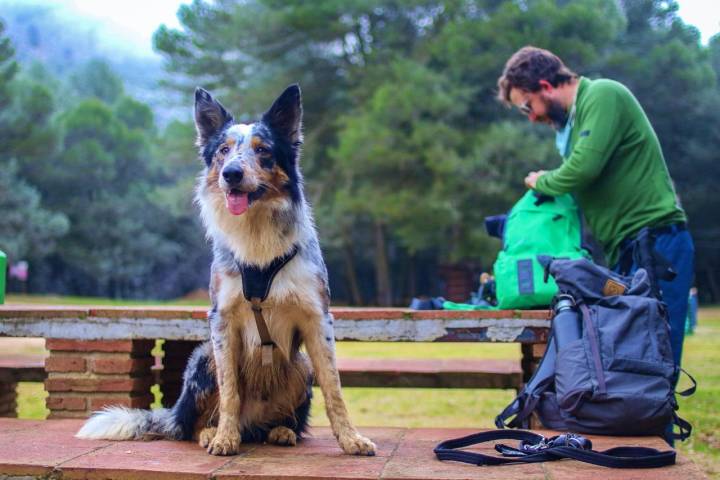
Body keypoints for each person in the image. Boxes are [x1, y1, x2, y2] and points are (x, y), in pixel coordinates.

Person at [496, 46, 694, 377]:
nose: (531, 117)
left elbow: (582, 168)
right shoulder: (572, 129)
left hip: (659, 242)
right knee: (630, 359)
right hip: (627, 250)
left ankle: (660, 430)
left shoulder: (602, 95)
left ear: (545, 85)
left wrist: (542, 180)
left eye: (528, 105)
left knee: (656, 356)